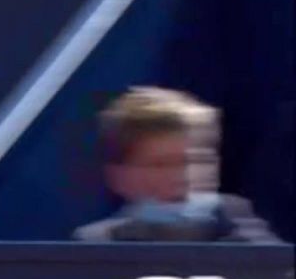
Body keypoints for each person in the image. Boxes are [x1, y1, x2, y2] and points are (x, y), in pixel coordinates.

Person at [74, 87, 280, 243]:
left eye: (196, 161)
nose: (183, 176)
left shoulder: (245, 233)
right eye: (161, 165)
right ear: (119, 177)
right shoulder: (96, 247)